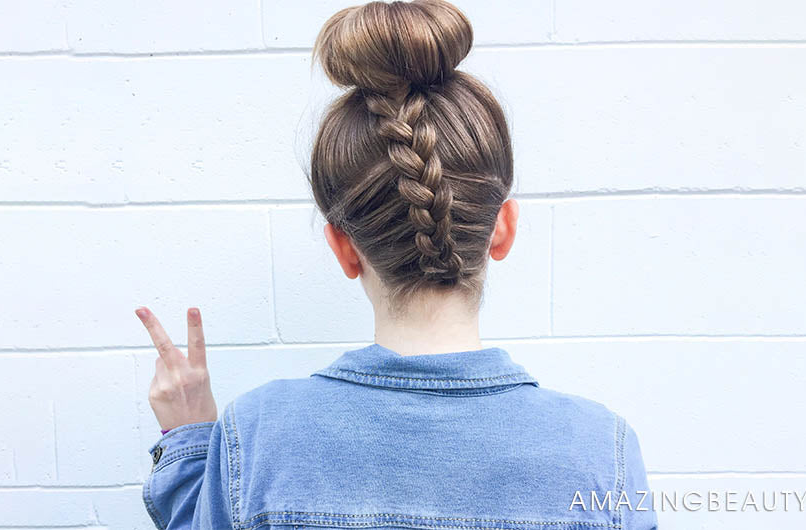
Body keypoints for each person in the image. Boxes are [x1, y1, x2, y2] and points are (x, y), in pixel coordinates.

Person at [133, 1, 657, 529]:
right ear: (503, 229)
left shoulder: (259, 436)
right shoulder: (600, 451)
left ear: (343, 248)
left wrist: (191, 446)